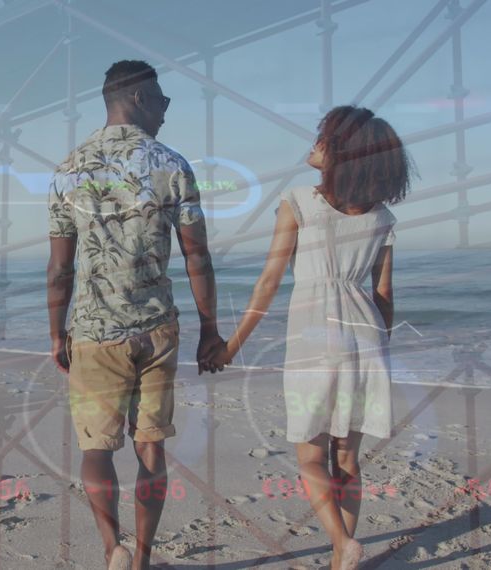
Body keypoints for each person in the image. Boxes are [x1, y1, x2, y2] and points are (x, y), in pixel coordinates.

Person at [213, 105, 413, 570]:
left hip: (313, 337)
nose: (315, 143)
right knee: (348, 457)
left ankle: (342, 544)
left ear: (342, 151)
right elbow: (383, 296)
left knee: (309, 454)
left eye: (323, 137)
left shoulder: (299, 201)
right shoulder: (382, 218)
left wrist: (231, 346)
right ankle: (342, 555)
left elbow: (268, 282)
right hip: (365, 338)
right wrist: (380, 349)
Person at [46, 59, 225, 570]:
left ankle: (113, 550)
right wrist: (209, 328)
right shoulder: (171, 164)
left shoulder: (68, 170)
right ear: (139, 97)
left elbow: (61, 269)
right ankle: (142, 556)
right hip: (156, 329)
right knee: (151, 447)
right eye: (163, 101)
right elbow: (198, 257)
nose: (166, 112)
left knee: (96, 449)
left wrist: (57, 334)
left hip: (95, 332)